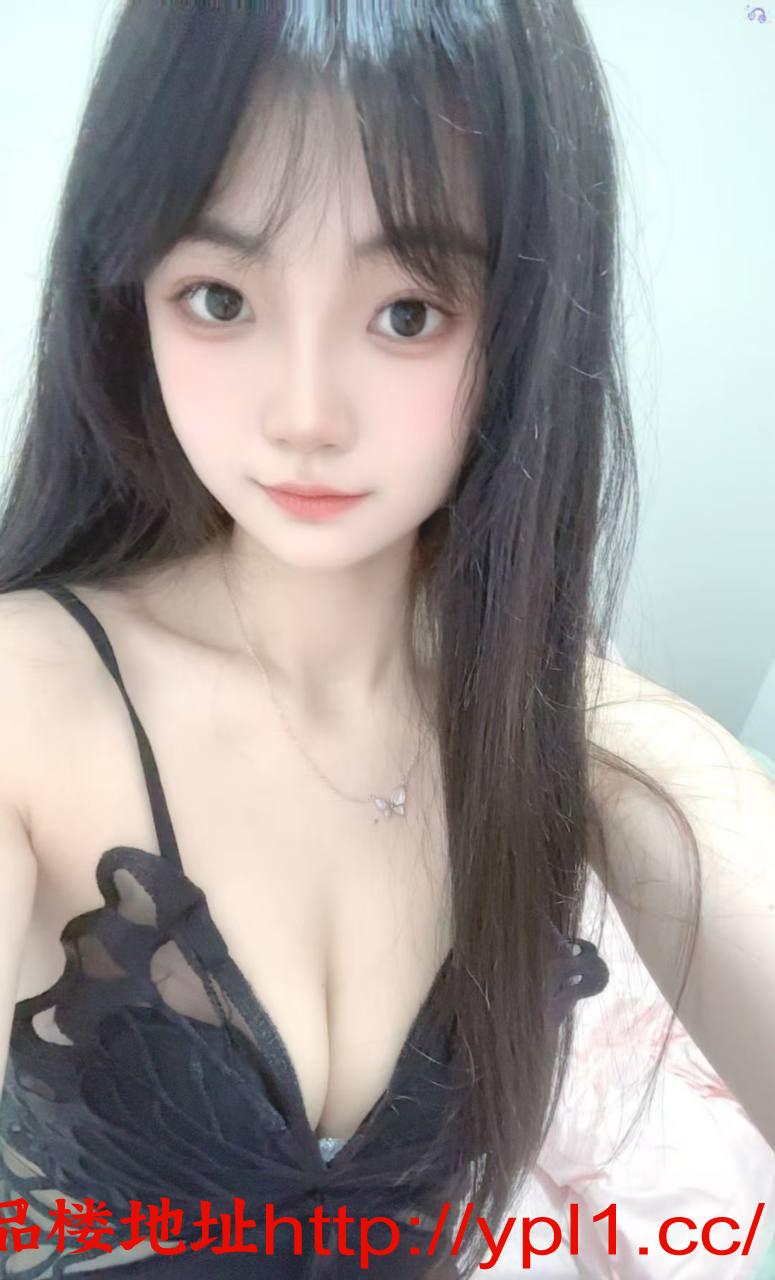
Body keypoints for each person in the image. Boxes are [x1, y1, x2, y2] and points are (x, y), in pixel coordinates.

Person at [0, 2, 772, 1276]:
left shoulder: (573, 727)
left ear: (525, 322)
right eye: (218, 297)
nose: (305, 413)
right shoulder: (31, 694)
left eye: (409, 310)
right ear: (126, 296)